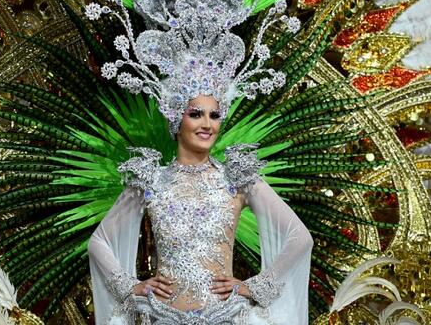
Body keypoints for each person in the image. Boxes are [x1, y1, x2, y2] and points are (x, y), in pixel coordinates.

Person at [88, 94, 313, 325]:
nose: (207, 124)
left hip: (225, 317)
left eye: (214, 116)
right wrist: (130, 286)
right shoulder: (152, 180)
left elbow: (300, 238)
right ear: (176, 121)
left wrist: (254, 287)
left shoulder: (237, 180)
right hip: (163, 317)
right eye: (196, 114)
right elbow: (98, 242)